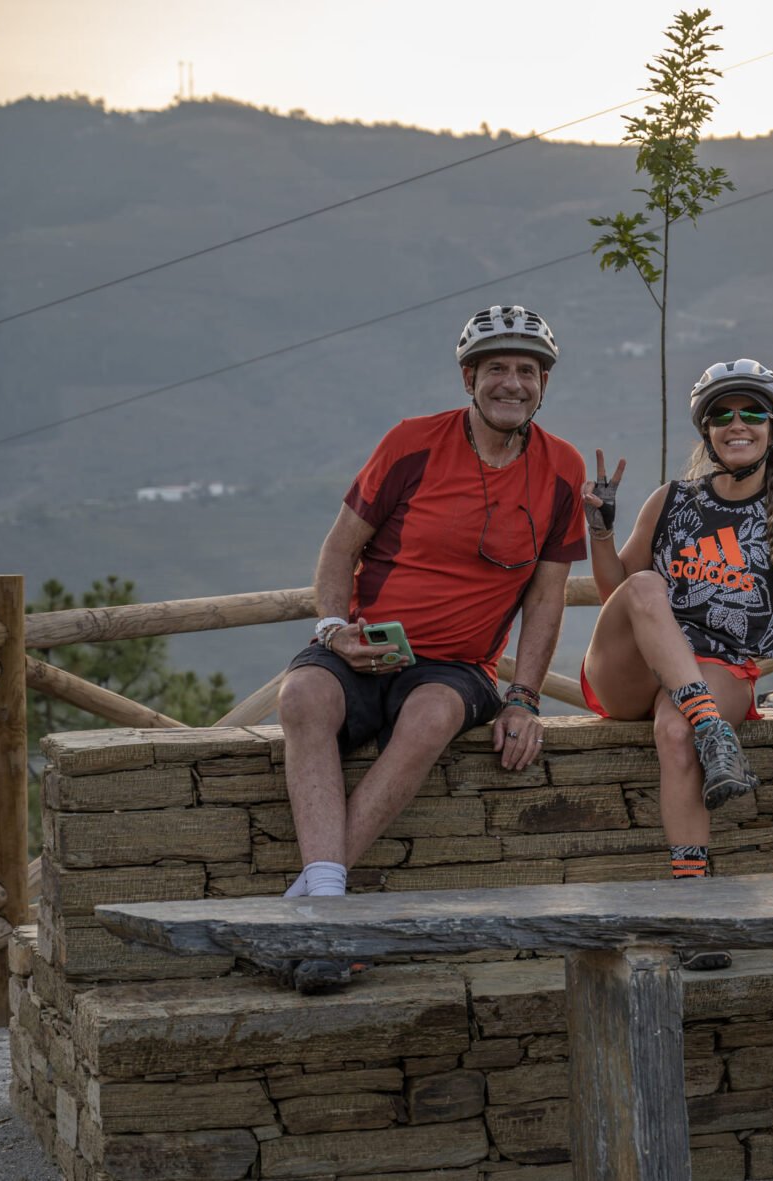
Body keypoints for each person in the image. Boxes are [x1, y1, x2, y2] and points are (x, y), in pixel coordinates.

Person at [272, 304, 587, 993]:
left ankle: (314, 908)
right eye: (496, 368)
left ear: (544, 383)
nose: (513, 383)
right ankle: (325, 911)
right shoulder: (411, 444)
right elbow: (339, 549)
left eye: (528, 370)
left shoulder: (562, 468)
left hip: (456, 667)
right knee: (301, 696)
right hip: (365, 645)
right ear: (469, 378)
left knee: (432, 717)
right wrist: (332, 630)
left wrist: (524, 699)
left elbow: (546, 597)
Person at [580, 359, 773, 967]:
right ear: (707, 431)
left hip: (720, 664)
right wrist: (600, 530)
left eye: (751, 412)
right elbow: (618, 590)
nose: (736, 424)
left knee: (676, 731)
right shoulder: (672, 500)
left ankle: (692, 909)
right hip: (633, 667)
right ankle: (714, 729)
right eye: (722, 414)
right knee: (644, 586)